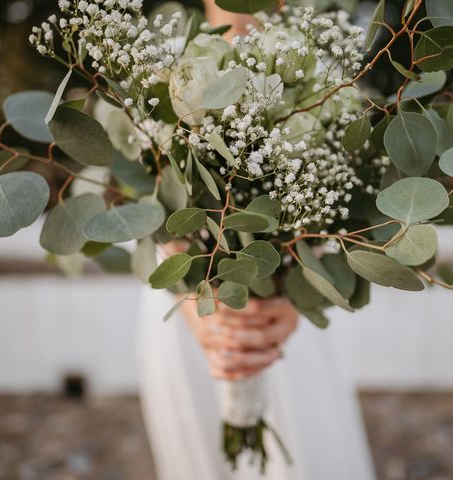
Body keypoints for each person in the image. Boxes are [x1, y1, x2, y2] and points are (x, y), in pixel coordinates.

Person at [137, 2, 376, 478]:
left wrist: (294, 299)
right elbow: (138, 205)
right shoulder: (162, 65)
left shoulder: (325, 75)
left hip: (285, 319)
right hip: (186, 312)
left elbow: (348, 213)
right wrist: (195, 298)